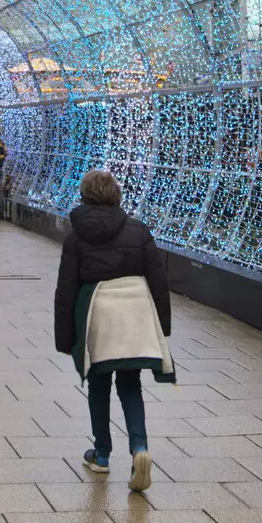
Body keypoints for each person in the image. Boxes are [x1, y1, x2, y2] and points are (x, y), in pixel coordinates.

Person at [54, 169, 172, 492]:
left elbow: (66, 290)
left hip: (97, 314)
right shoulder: (138, 231)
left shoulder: (75, 237)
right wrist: (162, 325)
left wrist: (64, 337)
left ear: (85, 195)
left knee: (99, 382)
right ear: (116, 194)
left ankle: (102, 455)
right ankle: (140, 448)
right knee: (130, 382)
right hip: (132, 313)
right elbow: (158, 282)